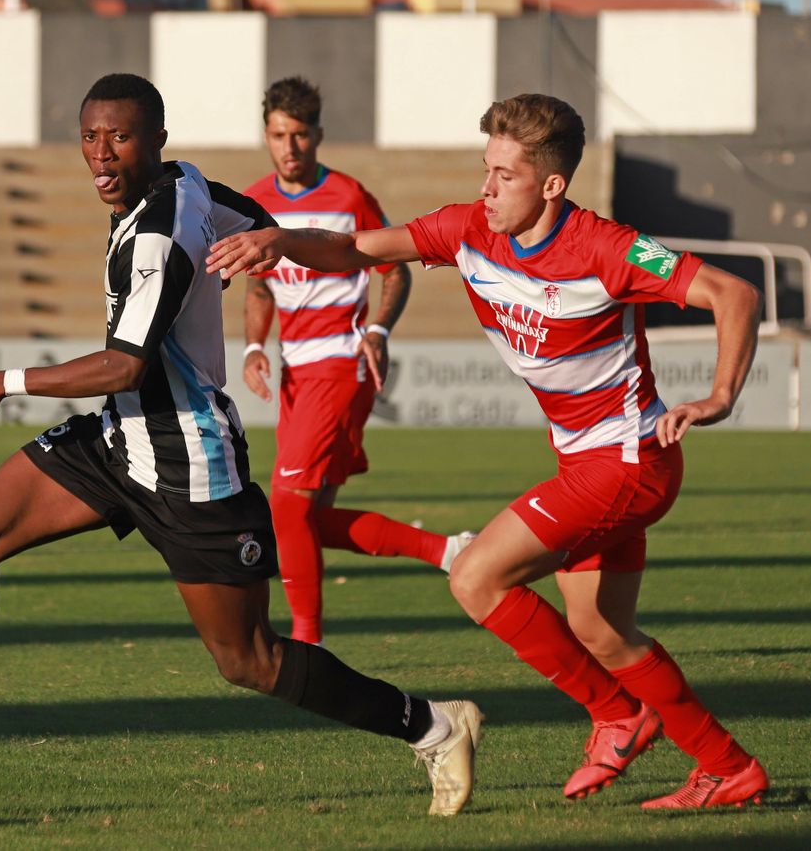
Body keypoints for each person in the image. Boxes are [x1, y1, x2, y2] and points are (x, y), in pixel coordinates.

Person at [0, 73, 484, 817]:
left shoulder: (158, 235)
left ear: (156, 140)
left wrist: (4, 381)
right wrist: (266, 254)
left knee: (249, 660)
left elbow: (124, 364)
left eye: (120, 137)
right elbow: (261, 227)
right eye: (90, 137)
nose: (101, 153)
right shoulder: (189, 184)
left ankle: (433, 727)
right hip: (118, 440)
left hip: (187, 463)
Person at [208, 93, 770, 810]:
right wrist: (282, 241)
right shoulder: (467, 228)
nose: (488, 187)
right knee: (601, 630)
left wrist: (719, 396)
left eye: (505, 175)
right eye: (486, 168)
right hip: (587, 462)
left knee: (477, 578)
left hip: (630, 461)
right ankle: (727, 766)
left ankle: (616, 715)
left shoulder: (608, 247)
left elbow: (733, 294)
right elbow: (354, 250)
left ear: (552, 184)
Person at [241, 77, 476, 645]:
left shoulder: (349, 197)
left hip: (342, 363)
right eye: (278, 135)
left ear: (318, 135)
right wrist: (253, 347)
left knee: (285, 507)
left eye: (300, 134)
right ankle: (448, 551)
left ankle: (306, 642)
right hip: (296, 373)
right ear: (266, 135)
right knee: (308, 520)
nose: (289, 146)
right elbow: (259, 286)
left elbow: (393, 269)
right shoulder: (254, 203)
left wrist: (378, 329)